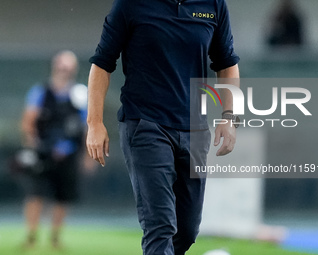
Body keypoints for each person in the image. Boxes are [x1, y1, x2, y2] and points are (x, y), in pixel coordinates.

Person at [86, 1, 240, 254]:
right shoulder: (129, 5)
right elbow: (102, 63)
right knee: (160, 226)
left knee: (187, 230)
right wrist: (94, 123)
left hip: (196, 130)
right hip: (145, 125)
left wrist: (229, 117)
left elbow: (227, 64)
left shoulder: (213, 4)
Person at [20, 50, 88, 249]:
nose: (64, 71)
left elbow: (85, 125)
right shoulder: (40, 92)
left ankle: (55, 238)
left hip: (68, 153)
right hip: (43, 152)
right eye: (61, 66)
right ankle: (31, 236)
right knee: (35, 194)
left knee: (63, 197)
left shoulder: (80, 94)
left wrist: (86, 155)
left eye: (68, 67)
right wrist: (32, 145)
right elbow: (28, 122)